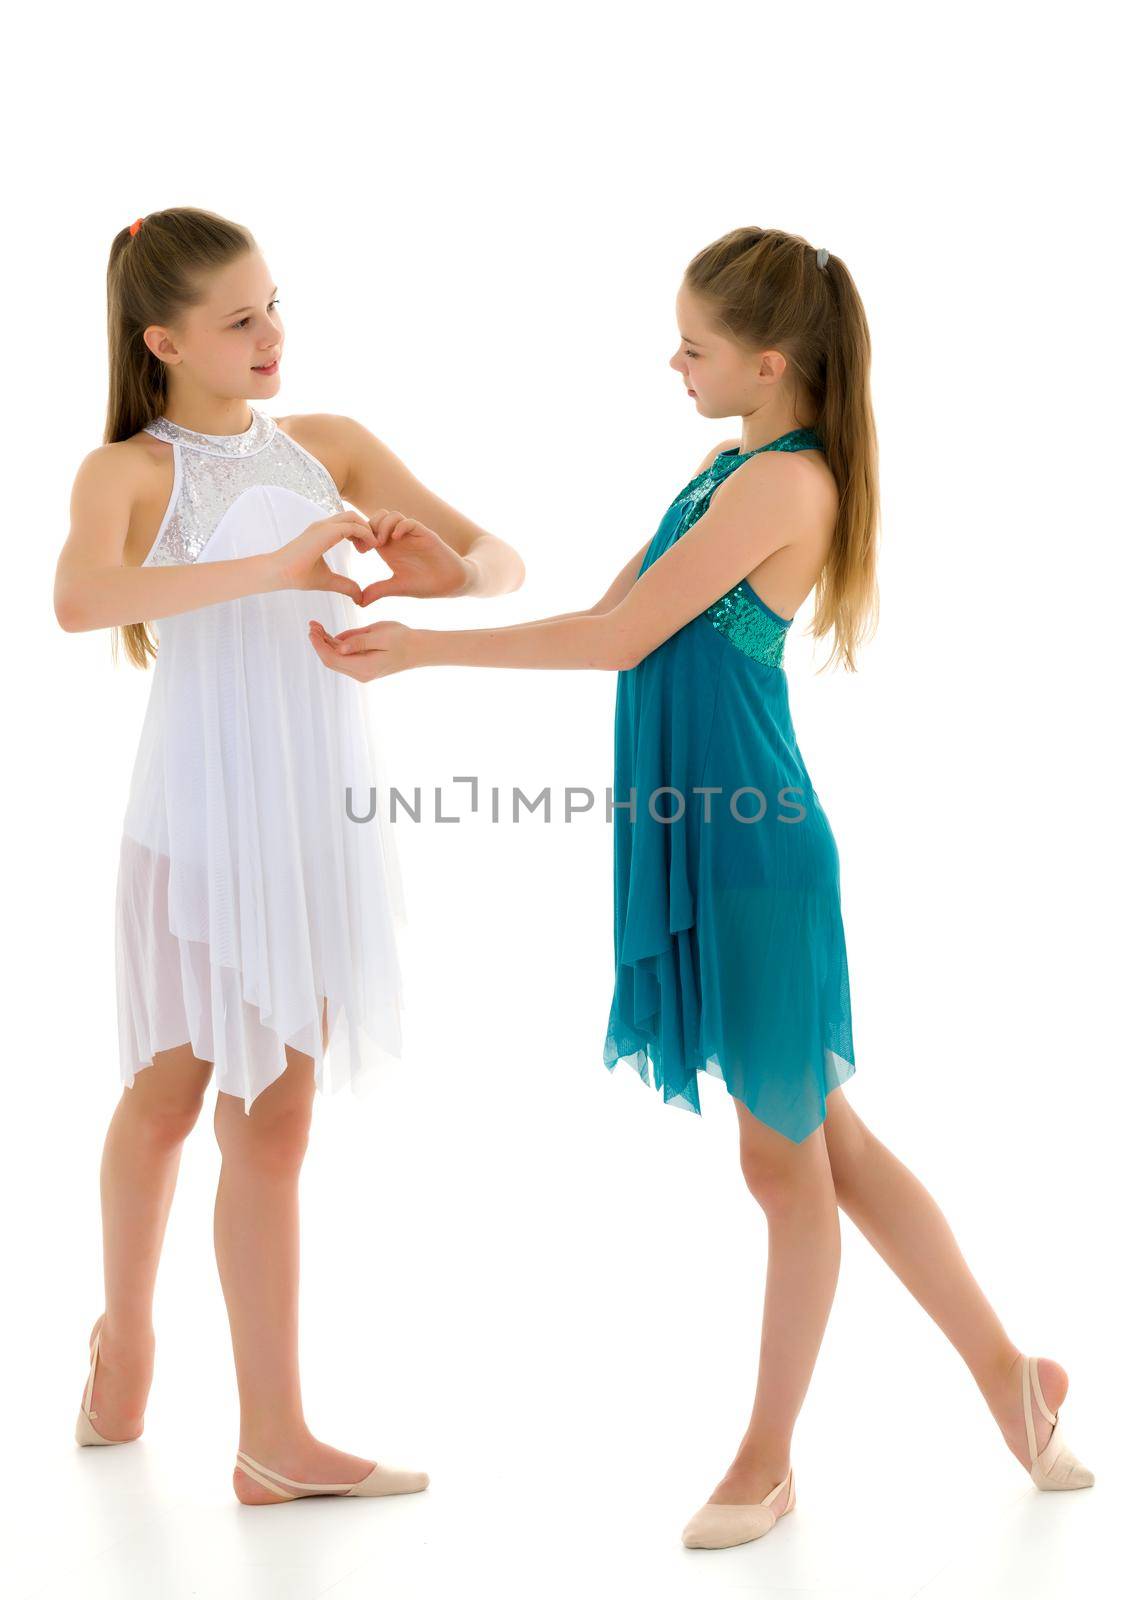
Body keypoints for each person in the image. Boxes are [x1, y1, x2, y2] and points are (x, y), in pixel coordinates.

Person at [309, 226, 1095, 1548]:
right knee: (828, 1144)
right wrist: (450, 583)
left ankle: (767, 1459)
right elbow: (614, 610)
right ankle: (1014, 1383)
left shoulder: (787, 487)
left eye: (696, 344)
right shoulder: (723, 468)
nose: (673, 361)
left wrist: (428, 655)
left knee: (784, 1164)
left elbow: (621, 638)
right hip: (705, 825)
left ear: (771, 359)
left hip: (753, 847)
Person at [55, 205, 524, 1505]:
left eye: (276, 305)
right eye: (240, 319)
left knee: (278, 1122)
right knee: (166, 1100)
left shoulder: (331, 444)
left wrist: (447, 579)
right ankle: (128, 1336)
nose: (273, 337)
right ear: (164, 341)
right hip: (197, 820)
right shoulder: (130, 473)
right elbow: (79, 599)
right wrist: (273, 562)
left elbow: (501, 556)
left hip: (315, 822)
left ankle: (273, 1438)